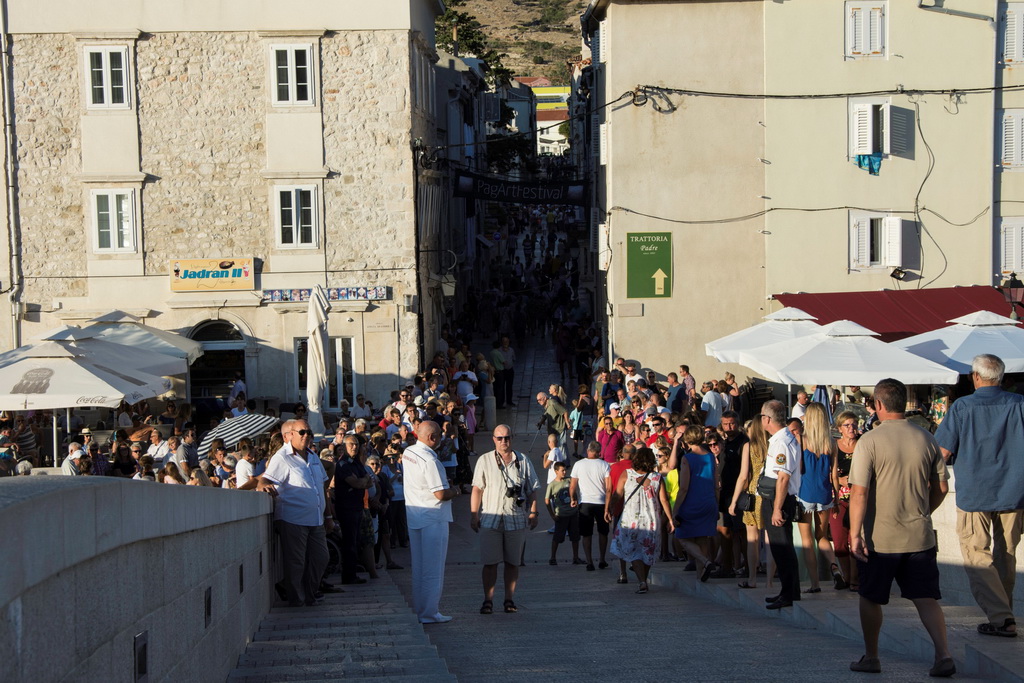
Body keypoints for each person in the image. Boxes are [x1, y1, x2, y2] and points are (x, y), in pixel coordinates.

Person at [848, 379, 955, 678]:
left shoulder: (869, 441)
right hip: (919, 535)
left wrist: (855, 533)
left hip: (880, 539)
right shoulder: (926, 438)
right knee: (926, 597)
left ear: (878, 405)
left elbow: (859, 492)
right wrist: (923, 511)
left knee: (870, 596)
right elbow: (942, 487)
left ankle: (871, 656)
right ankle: (943, 654)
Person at [934, 353, 1024, 638]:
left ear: (975, 377)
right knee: (1006, 555)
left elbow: (942, 453)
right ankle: (1003, 615)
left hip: (975, 493)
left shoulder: (962, 407)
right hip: (1014, 490)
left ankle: (1001, 617)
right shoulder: (1020, 405)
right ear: (1001, 377)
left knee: (976, 555)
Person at [257, 420, 332, 607]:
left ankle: (309, 592)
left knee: (321, 557)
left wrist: (329, 516)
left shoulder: (313, 456)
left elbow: (323, 487)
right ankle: (297, 599)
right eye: (302, 432)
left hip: (316, 518)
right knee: (296, 562)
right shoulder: (281, 457)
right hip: (293, 518)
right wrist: (264, 486)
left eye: (309, 432)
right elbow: (265, 479)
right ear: (289, 435)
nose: (306, 435)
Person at [470, 424, 540, 614]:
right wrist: (473, 514)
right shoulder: (484, 460)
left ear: (512, 438)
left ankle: (509, 599)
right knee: (490, 562)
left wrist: (533, 512)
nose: (503, 441)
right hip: (491, 518)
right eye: (499, 438)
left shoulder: (523, 460)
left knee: (513, 562)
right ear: (493, 439)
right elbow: (477, 488)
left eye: (507, 438)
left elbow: (532, 489)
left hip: (515, 518)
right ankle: (488, 600)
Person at [403, 421, 460, 624]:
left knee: (419, 567)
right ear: (432, 438)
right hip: (433, 518)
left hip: (415, 515)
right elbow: (440, 493)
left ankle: (421, 609)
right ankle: (429, 612)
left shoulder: (408, 452)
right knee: (433, 568)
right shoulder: (430, 460)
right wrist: (455, 491)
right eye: (439, 436)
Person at [609, 446, 674, 594]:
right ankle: (643, 579)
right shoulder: (657, 478)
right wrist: (670, 519)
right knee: (647, 550)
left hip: (630, 519)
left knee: (633, 550)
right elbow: (664, 500)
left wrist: (609, 509)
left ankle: (642, 581)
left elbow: (617, 494)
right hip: (651, 519)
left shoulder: (627, 474)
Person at [796, 403, 843, 593]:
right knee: (822, 537)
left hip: (805, 494)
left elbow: (799, 469)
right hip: (825, 495)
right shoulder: (831, 443)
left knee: (807, 541)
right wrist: (837, 500)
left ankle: (815, 584)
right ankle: (834, 567)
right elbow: (834, 476)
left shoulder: (801, 440)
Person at [760, 399, 802, 609]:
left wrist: (777, 508)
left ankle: (789, 593)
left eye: (761, 417)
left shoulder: (782, 441)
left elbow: (783, 477)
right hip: (776, 497)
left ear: (767, 419)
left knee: (781, 547)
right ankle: (789, 591)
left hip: (779, 500)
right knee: (782, 548)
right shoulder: (782, 438)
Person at [672, 426, 719, 581]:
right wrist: (716, 503)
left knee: (682, 537)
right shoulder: (711, 456)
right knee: (702, 538)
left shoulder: (687, 458)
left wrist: (675, 509)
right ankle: (701, 575)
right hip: (709, 501)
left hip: (692, 503)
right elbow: (716, 483)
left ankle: (705, 562)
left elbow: (684, 487)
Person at [729, 418, 769, 589]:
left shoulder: (749, 446)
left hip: (754, 493)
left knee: (752, 538)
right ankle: (769, 580)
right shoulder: (772, 445)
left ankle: (752, 577)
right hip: (770, 492)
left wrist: (734, 500)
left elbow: (744, 475)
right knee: (770, 539)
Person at [570, 440, 612, 571]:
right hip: (601, 502)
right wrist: (607, 507)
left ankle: (589, 561)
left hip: (585, 503)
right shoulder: (604, 465)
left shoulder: (578, 464)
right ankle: (602, 559)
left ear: (588, 451)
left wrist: (573, 498)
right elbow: (609, 488)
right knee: (603, 532)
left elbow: (572, 486)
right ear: (599, 452)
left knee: (586, 534)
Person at [832, 410, 861, 592]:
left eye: (854, 424)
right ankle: (846, 575)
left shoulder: (862, 444)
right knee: (839, 540)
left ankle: (855, 580)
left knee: (855, 540)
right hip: (838, 498)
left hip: (858, 499)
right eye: (847, 425)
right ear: (839, 428)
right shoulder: (834, 446)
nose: (851, 428)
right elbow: (825, 472)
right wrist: (838, 480)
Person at [546, 461, 581, 565]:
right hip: (561, 515)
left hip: (573, 513)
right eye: (562, 470)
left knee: (575, 537)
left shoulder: (569, 481)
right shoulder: (552, 485)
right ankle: (553, 557)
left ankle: (576, 557)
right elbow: (547, 500)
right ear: (556, 471)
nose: (564, 472)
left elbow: (574, 492)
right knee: (557, 537)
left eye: (565, 470)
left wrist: (577, 503)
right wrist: (552, 514)